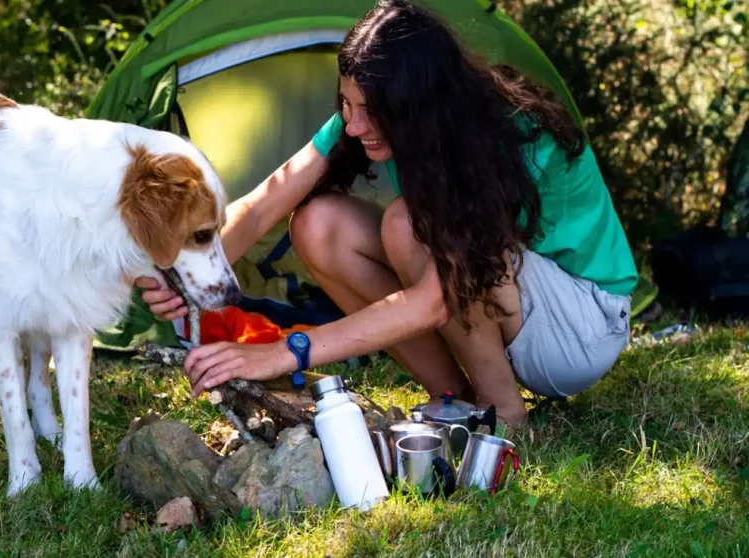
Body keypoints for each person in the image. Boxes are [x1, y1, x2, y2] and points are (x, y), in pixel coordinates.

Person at [136, 0, 638, 426]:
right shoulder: (372, 119)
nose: (352, 126)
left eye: (368, 110)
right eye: (346, 105)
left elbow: (432, 303)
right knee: (317, 226)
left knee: (407, 223)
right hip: (518, 299)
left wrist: (285, 349)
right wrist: (183, 275)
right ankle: (456, 402)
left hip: (581, 326)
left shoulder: (502, 137)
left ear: (413, 103)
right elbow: (268, 200)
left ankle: (504, 414)